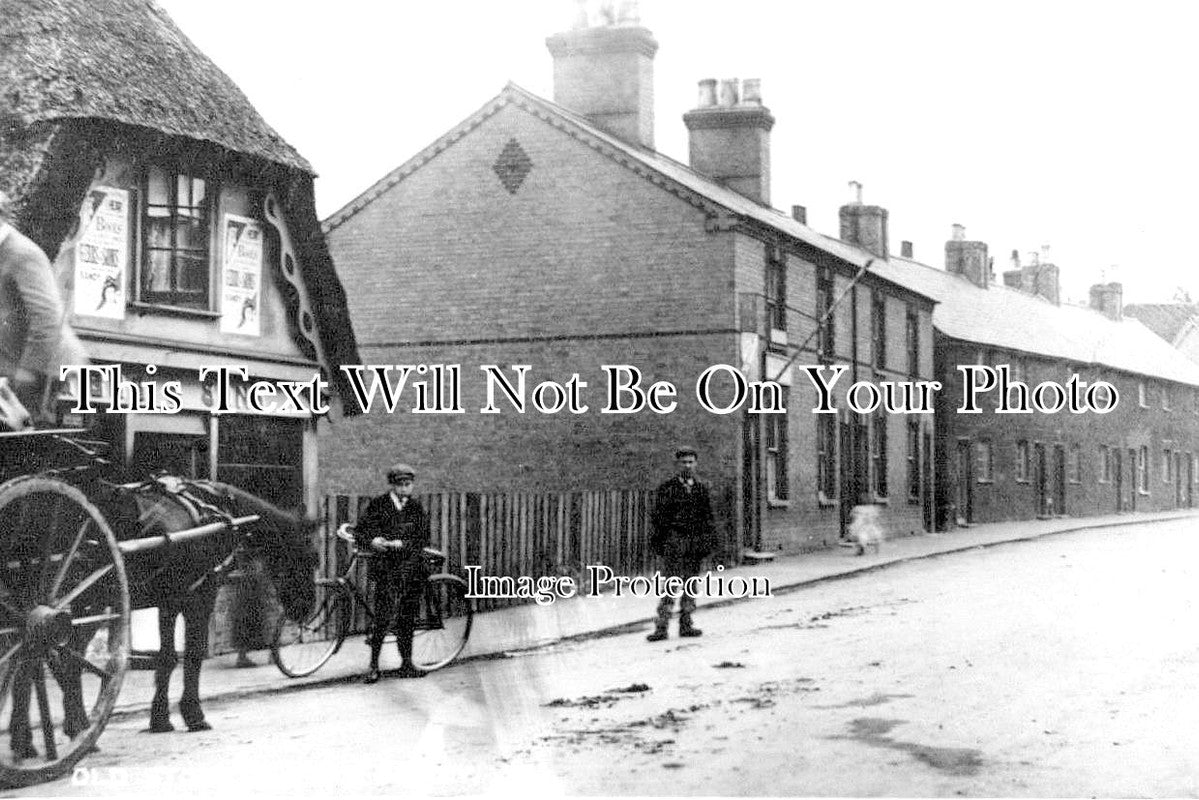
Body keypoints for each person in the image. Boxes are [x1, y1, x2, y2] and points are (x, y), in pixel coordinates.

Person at [0, 192, 86, 425]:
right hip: (13, 363)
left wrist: (25, 376)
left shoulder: (22, 254)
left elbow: (47, 320)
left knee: (21, 438)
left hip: (42, 366)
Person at [354, 463, 429, 682]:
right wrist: (372, 540)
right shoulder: (379, 505)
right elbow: (361, 531)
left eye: (409, 484)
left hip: (411, 569)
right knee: (383, 617)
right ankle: (374, 666)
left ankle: (406, 663)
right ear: (393, 485)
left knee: (408, 618)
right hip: (386, 569)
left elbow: (422, 538)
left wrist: (401, 543)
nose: (405, 488)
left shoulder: (415, 508)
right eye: (401, 484)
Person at [647, 446, 716, 642]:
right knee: (671, 584)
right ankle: (661, 627)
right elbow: (658, 519)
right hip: (675, 543)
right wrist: (661, 544)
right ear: (677, 465)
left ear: (696, 464)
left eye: (690, 462)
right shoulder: (667, 488)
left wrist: (707, 543)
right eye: (683, 462)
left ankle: (687, 624)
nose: (687, 465)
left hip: (694, 544)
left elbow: (708, 519)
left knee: (690, 584)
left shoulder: (701, 489)